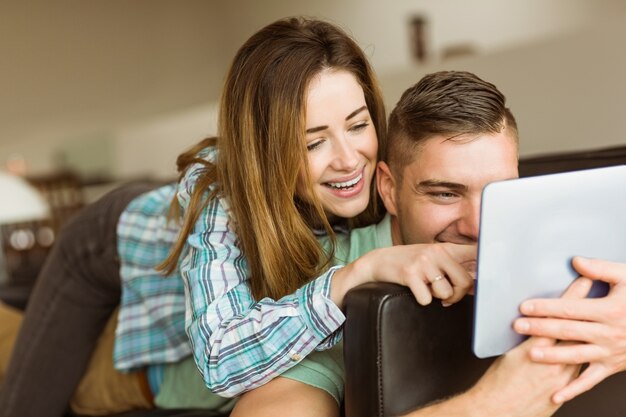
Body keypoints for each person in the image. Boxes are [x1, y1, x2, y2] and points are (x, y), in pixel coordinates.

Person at [0, 19, 474, 417]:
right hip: (106, 245)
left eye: (357, 124)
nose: (350, 160)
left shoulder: (376, 175)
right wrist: (353, 276)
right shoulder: (218, 200)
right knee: (27, 399)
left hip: (176, 275)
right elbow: (221, 360)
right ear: (266, 151)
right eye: (313, 142)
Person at [231, 70, 626, 417]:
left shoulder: (566, 237)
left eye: (499, 193)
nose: (477, 227)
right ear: (388, 189)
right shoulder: (328, 289)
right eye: (444, 194)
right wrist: (492, 405)